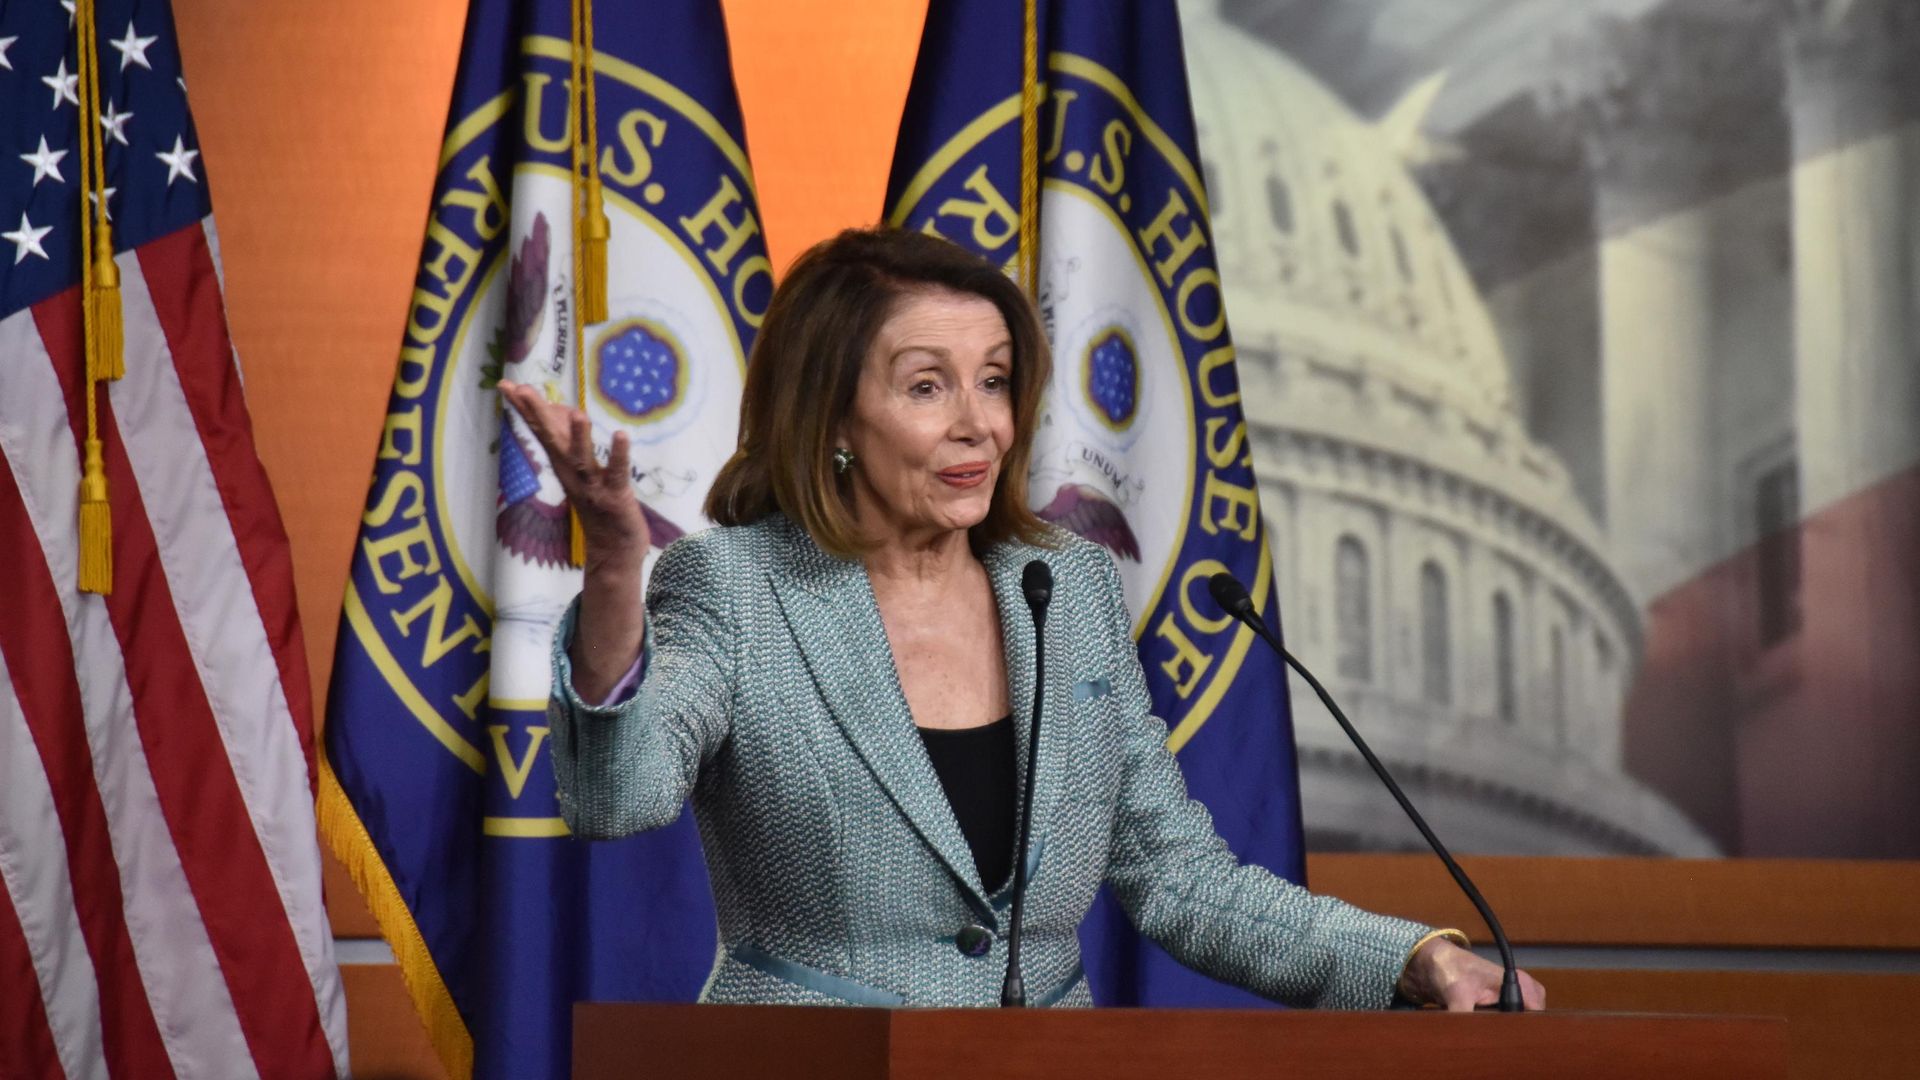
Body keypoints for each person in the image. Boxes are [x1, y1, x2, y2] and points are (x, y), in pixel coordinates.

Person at [499, 226, 1545, 1012]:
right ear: (834, 417)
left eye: (994, 382)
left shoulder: (1067, 590)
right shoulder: (736, 586)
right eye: (927, 387)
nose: (979, 425)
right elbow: (616, 799)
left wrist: (1408, 958)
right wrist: (619, 567)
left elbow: (1176, 876)